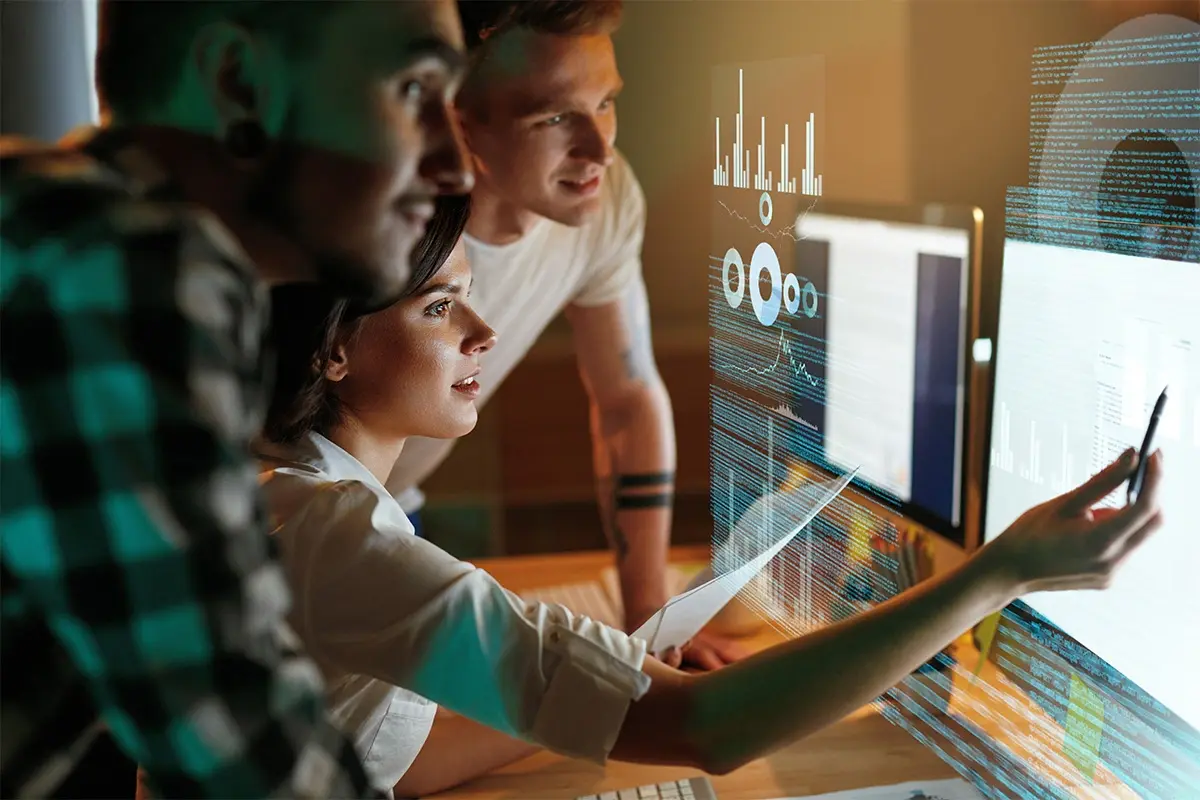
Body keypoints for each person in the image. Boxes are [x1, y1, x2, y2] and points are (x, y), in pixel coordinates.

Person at [259, 182, 1165, 788]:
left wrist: (608, 678)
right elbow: (706, 733)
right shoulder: (340, 540)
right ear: (333, 347)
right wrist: (998, 574)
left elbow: (397, 753)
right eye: (439, 307)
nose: (485, 331)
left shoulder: (311, 503)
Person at [0, 1, 472, 796]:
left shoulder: (61, 218)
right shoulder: (138, 264)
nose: (456, 163)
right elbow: (234, 743)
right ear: (238, 82)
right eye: (415, 91)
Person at [383, 0, 743, 671]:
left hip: (395, 513)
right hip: (290, 522)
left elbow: (628, 399)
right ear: (458, 119)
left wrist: (650, 624)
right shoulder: (382, 222)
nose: (599, 147)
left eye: (606, 103)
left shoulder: (604, 199)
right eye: (554, 117)